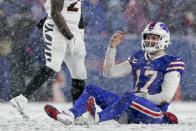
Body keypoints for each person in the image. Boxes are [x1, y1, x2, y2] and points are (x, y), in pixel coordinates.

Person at [44, 22, 184, 125]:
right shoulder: (139, 56)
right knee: (92, 89)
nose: (150, 40)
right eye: (148, 37)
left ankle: (96, 118)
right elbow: (109, 72)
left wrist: (138, 96)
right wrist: (112, 48)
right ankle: (69, 114)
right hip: (129, 107)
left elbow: (165, 97)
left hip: (154, 113)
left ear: (164, 39)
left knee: (129, 95)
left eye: (154, 38)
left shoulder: (172, 61)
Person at [10, 0, 87, 116]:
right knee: (53, 65)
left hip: (73, 29)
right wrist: (71, 38)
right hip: (56, 27)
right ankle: (21, 99)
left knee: (80, 73)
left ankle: (78, 111)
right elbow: (55, 13)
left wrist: (80, 33)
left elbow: (78, 10)